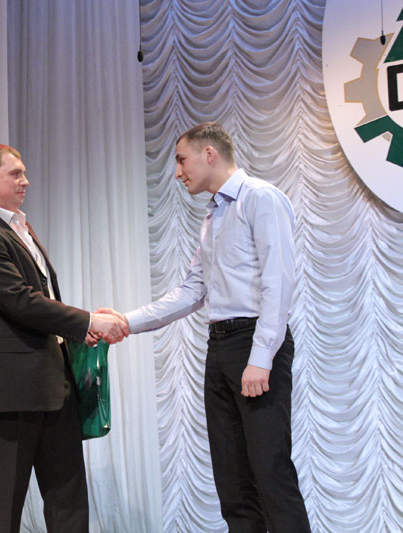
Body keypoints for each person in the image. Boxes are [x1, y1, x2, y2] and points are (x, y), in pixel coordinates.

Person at [101, 123, 310, 532]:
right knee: (231, 479)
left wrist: (261, 357)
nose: (178, 172)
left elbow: (279, 280)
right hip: (220, 347)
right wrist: (126, 321)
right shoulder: (214, 215)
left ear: (209, 154)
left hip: (253, 342)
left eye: (182, 160)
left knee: (270, 471)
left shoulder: (260, 198)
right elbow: (191, 291)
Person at [0, 144, 128, 532]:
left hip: (54, 383)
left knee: (68, 499)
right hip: (12, 388)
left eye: (24, 173)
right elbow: (20, 301)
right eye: (15, 173)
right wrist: (88, 320)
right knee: (6, 502)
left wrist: (80, 331)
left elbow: (42, 300)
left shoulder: (19, 227)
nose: (26, 181)